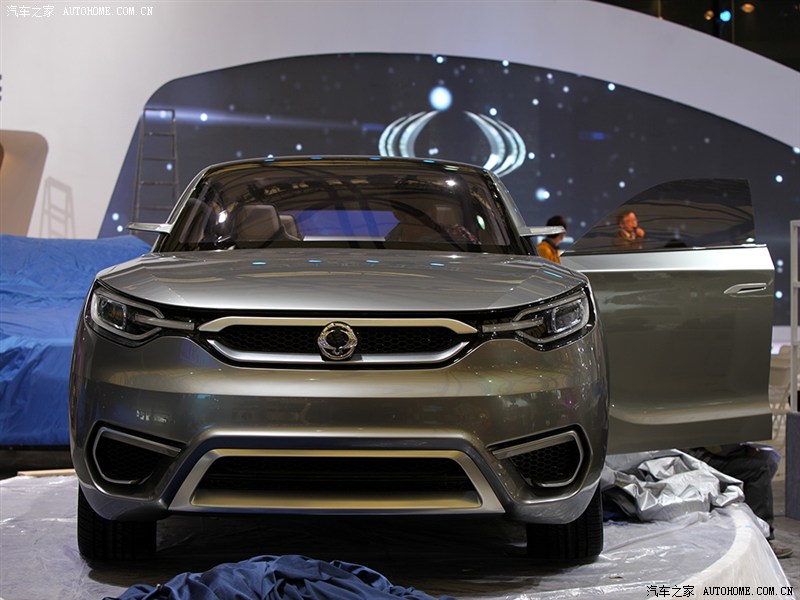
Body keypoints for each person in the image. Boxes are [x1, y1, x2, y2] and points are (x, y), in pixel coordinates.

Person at [686, 444, 793, 559]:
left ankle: (751, 532)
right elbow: (715, 445)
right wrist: (742, 450)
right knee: (761, 468)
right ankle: (761, 541)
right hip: (698, 457)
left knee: (768, 459)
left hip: (709, 452)